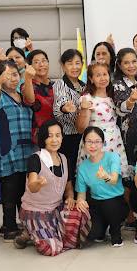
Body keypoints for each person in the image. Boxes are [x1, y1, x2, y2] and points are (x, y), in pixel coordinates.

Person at [15, 119, 89, 256]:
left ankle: (41, 232)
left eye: (58, 135)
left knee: (81, 212)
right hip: (36, 211)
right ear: (43, 138)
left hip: (56, 209)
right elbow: (32, 186)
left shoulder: (64, 158)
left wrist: (71, 197)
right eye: (50, 136)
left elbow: (68, 186)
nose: (54, 140)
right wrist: (38, 183)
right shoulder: (35, 159)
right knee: (52, 249)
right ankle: (30, 232)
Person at [0, 60, 34, 241]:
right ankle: (8, 227)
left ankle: (21, 223)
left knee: (22, 192)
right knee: (9, 191)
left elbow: (32, 100)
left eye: (15, 74)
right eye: (7, 75)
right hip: (7, 150)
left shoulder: (22, 95)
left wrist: (27, 78)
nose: (13, 79)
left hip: (25, 149)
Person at [75, 126, 128, 247]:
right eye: (89, 142)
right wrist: (80, 201)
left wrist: (105, 176)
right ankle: (102, 229)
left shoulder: (112, 157)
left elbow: (114, 180)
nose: (93, 146)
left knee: (110, 206)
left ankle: (116, 233)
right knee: (93, 234)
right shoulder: (83, 167)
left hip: (116, 201)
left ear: (103, 143)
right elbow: (81, 194)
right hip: (97, 203)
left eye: (97, 142)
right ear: (84, 144)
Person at [75, 63, 129, 177]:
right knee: (94, 176)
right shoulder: (87, 99)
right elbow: (81, 129)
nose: (102, 78)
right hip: (94, 142)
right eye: (98, 75)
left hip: (114, 142)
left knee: (112, 176)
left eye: (105, 74)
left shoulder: (113, 97)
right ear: (91, 79)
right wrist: (84, 109)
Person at [53, 49, 85, 185]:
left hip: (82, 136)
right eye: (70, 63)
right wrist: (65, 107)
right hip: (67, 137)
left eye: (78, 63)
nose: (74, 67)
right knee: (69, 173)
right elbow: (59, 104)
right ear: (63, 65)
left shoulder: (84, 85)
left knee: (81, 171)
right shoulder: (60, 84)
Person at [112, 47, 137, 180]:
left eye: (134, 61)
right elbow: (120, 109)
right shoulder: (117, 84)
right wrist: (131, 100)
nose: (131, 66)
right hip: (126, 134)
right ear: (119, 65)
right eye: (126, 63)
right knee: (127, 170)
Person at [22, 49, 54, 144]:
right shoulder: (27, 85)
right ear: (30, 66)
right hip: (38, 136)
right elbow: (30, 100)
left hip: (57, 134)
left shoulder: (55, 85)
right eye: (36, 62)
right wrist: (28, 78)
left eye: (44, 61)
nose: (41, 64)